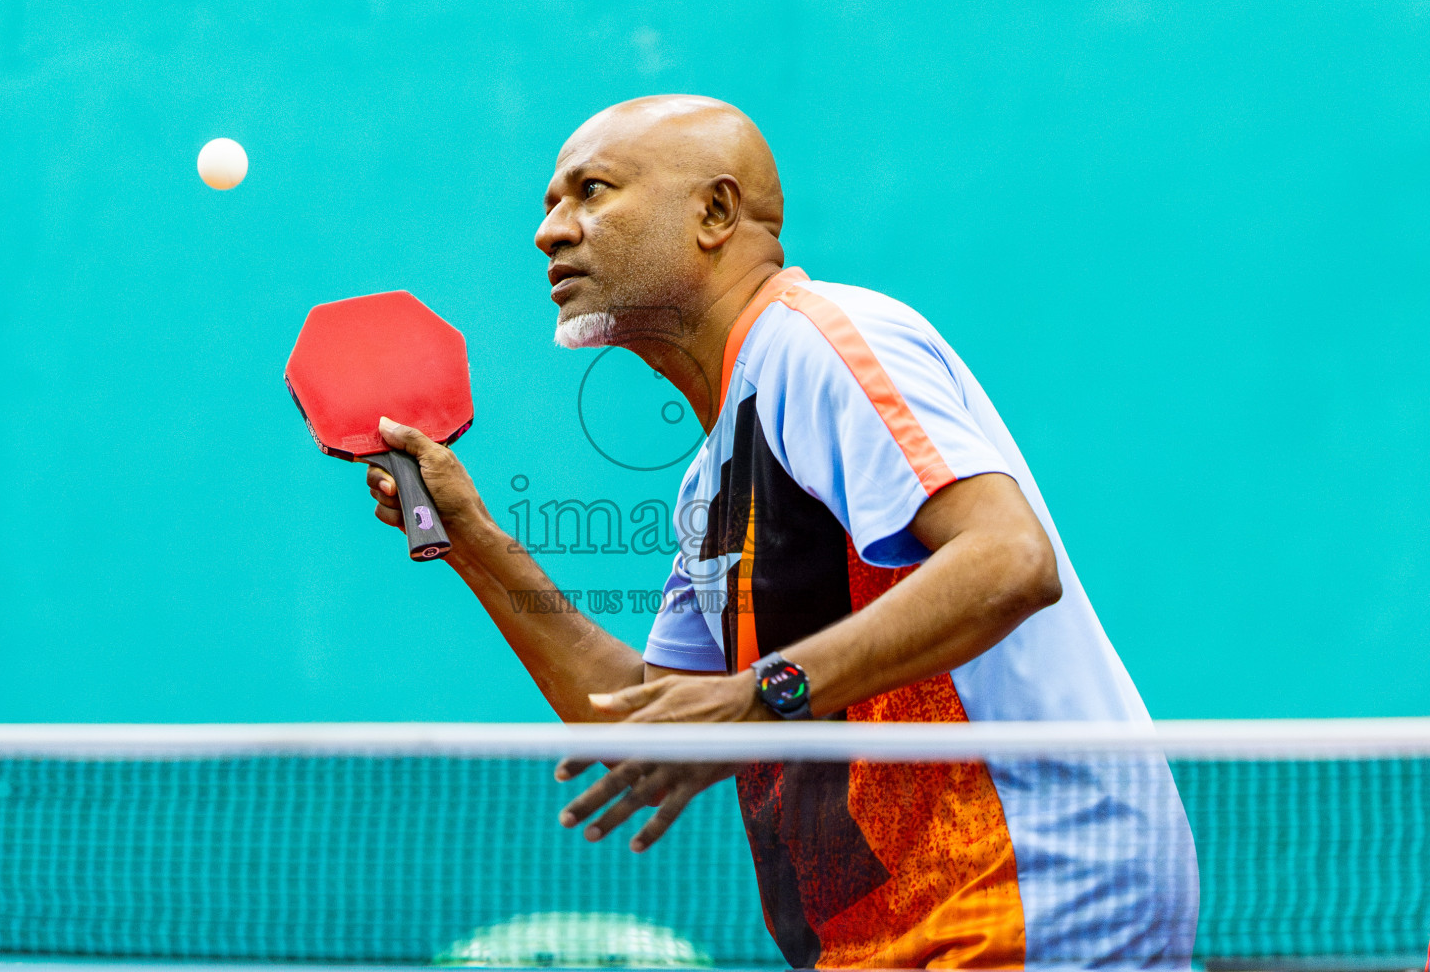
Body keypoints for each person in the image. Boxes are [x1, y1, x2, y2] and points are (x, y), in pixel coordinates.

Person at [365, 95, 1198, 969]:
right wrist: (467, 537)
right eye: (548, 207)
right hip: (893, 940)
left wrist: (763, 693)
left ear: (716, 213)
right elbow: (648, 721)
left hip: (1030, 902)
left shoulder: (821, 340)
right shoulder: (720, 468)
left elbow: (1008, 559)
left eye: (590, 192)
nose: (551, 232)